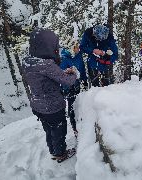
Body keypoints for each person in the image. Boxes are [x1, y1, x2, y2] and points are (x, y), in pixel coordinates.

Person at [22, 28, 80, 163]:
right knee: (59, 130)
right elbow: (66, 81)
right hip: (52, 106)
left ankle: (53, 151)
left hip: (37, 105)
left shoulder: (27, 61)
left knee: (48, 129)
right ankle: (60, 154)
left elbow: (45, 77)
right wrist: (74, 74)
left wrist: (61, 72)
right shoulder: (47, 64)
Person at [60, 41, 88, 137]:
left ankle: (81, 124)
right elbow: (62, 76)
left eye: (78, 47)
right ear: (70, 48)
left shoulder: (78, 55)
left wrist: (84, 80)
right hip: (68, 87)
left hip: (77, 85)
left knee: (79, 104)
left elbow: (82, 69)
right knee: (71, 107)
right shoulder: (63, 58)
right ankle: (75, 129)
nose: (78, 49)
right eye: (75, 47)